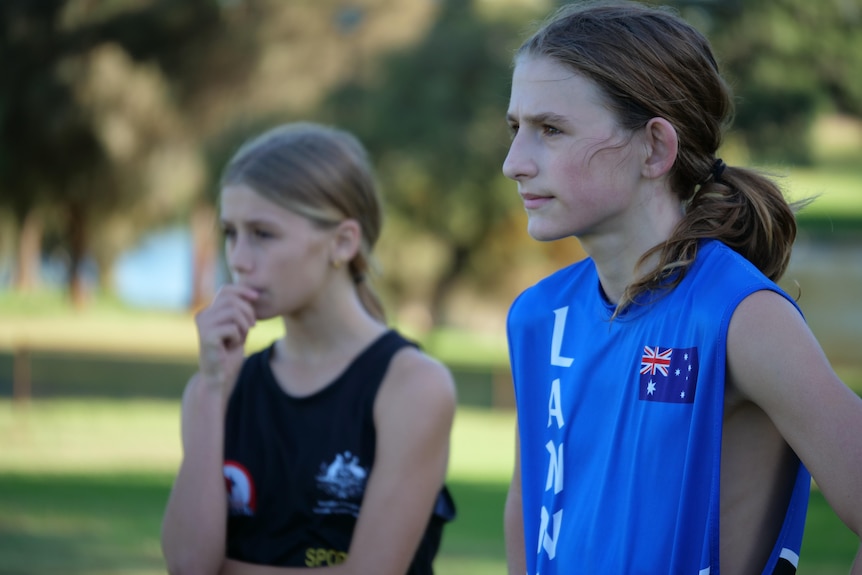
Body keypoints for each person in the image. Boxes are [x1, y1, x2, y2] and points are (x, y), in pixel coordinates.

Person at [501, 2, 862, 574]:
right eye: (515, 128)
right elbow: (529, 509)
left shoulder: (739, 317)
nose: (514, 162)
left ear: (655, 149)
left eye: (551, 129)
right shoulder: (538, 316)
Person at [160, 122, 457, 575]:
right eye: (230, 233)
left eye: (263, 233)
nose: (237, 258)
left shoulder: (412, 385)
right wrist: (211, 390)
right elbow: (186, 565)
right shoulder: (218, 387)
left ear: (342, 242)